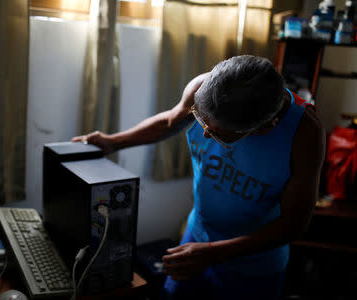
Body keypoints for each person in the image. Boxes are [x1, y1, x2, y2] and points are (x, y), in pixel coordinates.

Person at [72, 55, 326, 299]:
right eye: (200, 120)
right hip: (197, 236)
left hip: (253, 264)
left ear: (263, 128)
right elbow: (171, 121)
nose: (203, 134)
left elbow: (294, 225)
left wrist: (214, 253)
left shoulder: (305, 135)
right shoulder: (205, 87)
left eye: (217, 133)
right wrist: (112, 142)